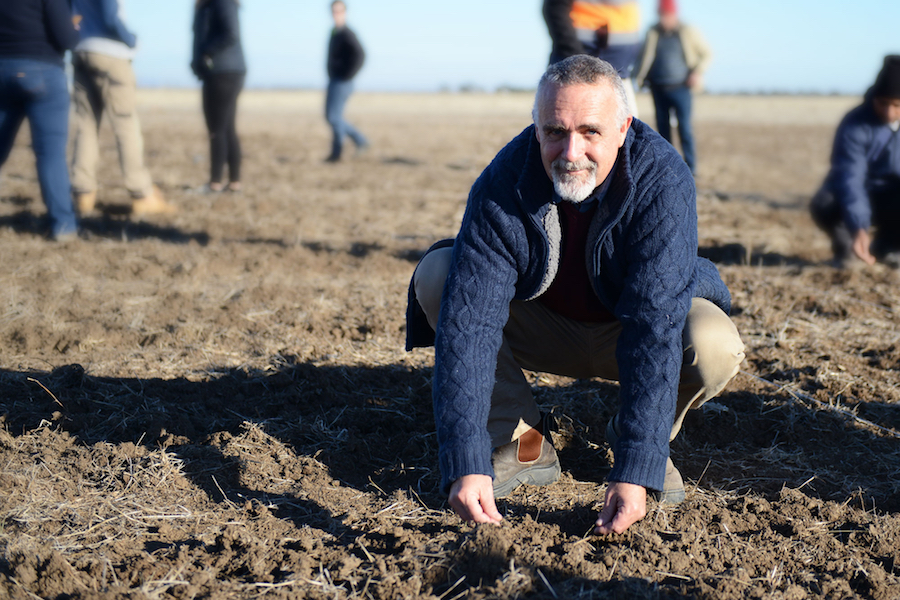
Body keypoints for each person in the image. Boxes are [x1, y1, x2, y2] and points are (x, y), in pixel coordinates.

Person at [406, 55, 744, 535]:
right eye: (554, 131)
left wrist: (635, 468)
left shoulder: (662, 181)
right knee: (440, 274)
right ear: (536, 128)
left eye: (590, 131)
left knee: (712, 342)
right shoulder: (504, 180)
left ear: (624, 128)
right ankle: (524, 444)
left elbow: (653, 328)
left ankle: (640, 440)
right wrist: (466, 459)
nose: (570, 151)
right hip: (541, 325)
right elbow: (471, 325)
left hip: (628, 327)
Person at [70, 0, 176, 215]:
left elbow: (70, 14)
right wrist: (132, 40)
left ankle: (83, 193)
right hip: (111, 54)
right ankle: (141, 194)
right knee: (125, 125)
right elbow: (110, 17)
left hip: (81, 50)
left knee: (86, 125)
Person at [0, 0, 80, 241]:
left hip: (2, 71)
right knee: (51, 154)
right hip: (42, 70)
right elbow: (66, 39)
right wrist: (74, 27)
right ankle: (63, 226)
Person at [811, 55, 900, 268]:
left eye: (897, 105)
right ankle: (848, 248)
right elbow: (851, 177)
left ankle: (890, 246)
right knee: (825, 202)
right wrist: (859, 227)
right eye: (883, 103)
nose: (889, 112)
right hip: (859, 195)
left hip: (894, 196)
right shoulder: (855, 124)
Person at [634, 0, 711, 175]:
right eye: (661, 15)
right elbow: (642, 58)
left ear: (674, 14)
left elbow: (706, 54)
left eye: (667, 15)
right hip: (658, 88)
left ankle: (691, 168)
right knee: (663, 131)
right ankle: (668, 167)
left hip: (681, 88)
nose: (664, 20)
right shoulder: (652, 33)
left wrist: (697, 72)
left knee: (684, 128)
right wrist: (637, 77)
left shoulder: (688, 32)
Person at [542, 0, 642, 117]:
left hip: (619, 70)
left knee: (629, 125)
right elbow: (555, 10)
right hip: (578, 70)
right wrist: (579, 60)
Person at [192, 0, 246, 193]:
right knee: (226, 128)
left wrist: (206, 52)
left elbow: (230, 33)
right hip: (221, 71)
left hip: (223, 72)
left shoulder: (222, 2)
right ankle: (234, 183)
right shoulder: (209, 5)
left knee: (217, 129)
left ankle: (215, 183)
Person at [324, 0, 368, 163]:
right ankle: (337, 152)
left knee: (334, 118)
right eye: (333, 11)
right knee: (332, 117)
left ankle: (357, 142)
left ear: (345, 12)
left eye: (339, 11)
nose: (336, 14)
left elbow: (360, 55)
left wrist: (348, 74)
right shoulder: (334, 32)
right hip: (334, 80)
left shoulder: (347, 33)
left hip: (342, 81)